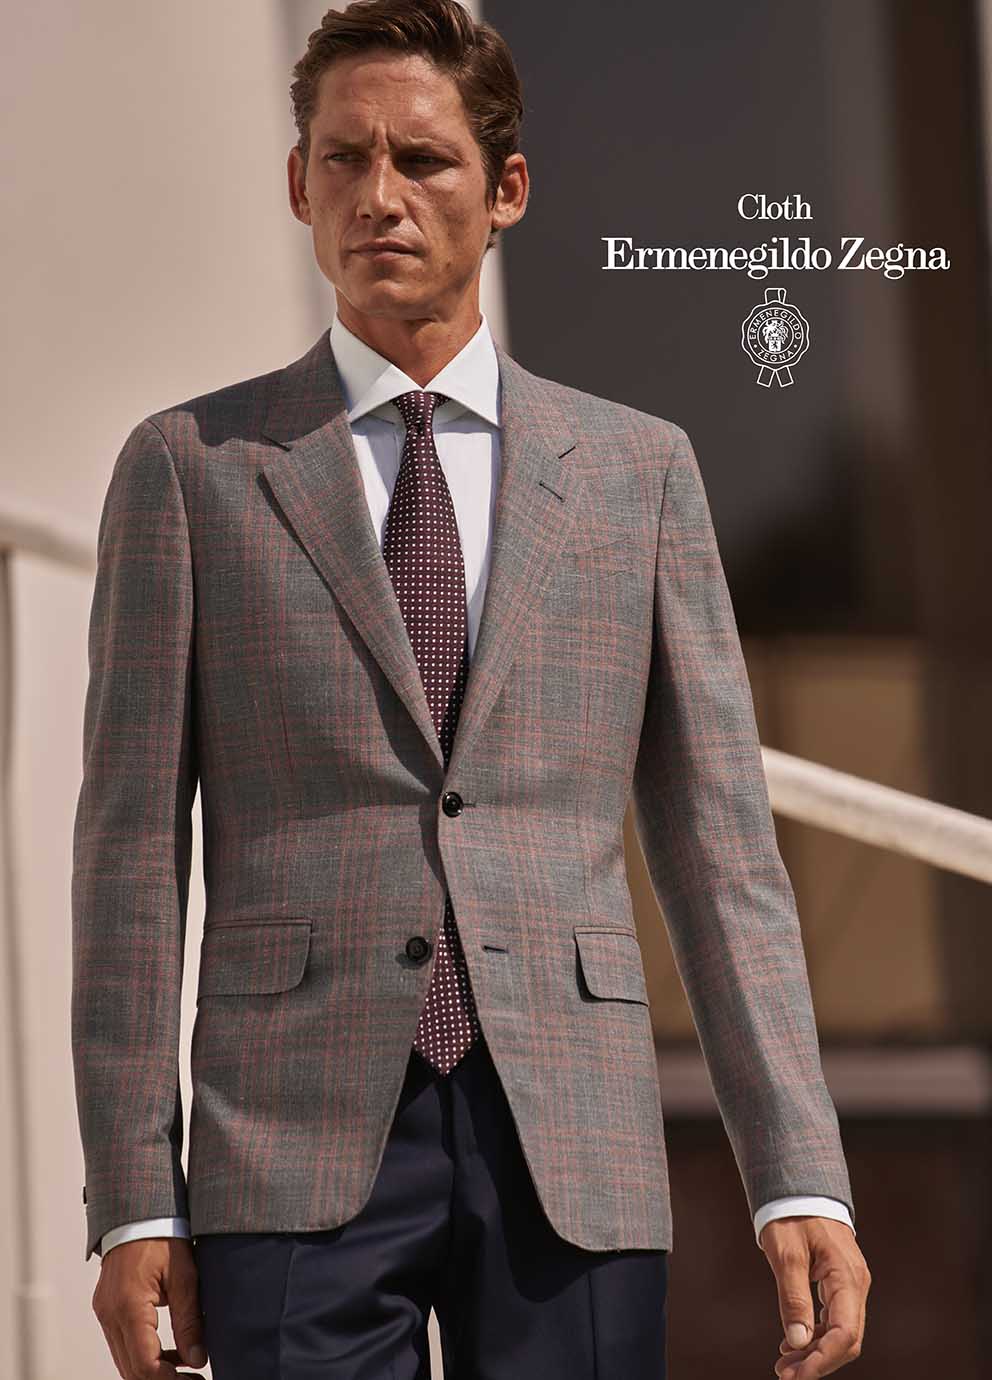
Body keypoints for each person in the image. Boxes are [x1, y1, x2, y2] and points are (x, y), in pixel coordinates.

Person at [71, 1, 871, 1377]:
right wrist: (137, 1194)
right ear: (297, 184)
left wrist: (798, 1171)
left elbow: (722, 853)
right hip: (288, 1144)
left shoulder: (638, 475)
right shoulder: (192, 469)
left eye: (424, 159)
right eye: (344, 158)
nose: (378, 195)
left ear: (507, 190)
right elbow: (130, 857)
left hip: (574, 1138)